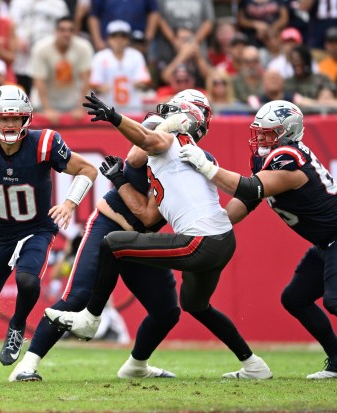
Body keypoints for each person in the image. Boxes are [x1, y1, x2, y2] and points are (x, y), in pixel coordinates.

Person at [45, 92, 273, 380]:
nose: (149, 127)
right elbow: (150, 213)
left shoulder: (170, 141)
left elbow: (148, 141)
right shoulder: (187, 153)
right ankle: (254, 365)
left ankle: (90, 318)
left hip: (199, 242)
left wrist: (116, 118)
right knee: (196, 305)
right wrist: (121, 179)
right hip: (222, 239)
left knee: (113, 243)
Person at [178, 100, 337, 379]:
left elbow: (252, 186)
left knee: (334, 301)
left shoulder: (290, 157)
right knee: (296, 298)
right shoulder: (270, 157)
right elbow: (246, 201)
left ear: (288, 132)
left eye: (268, 134)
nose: (260, 140)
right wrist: (213, 223)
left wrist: (206, 168)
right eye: (259, 132)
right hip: (326, 242)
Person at [0, 85, 97, 384]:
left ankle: (18, 325)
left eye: (16, 118)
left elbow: (87, 170)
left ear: (26, 120)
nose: (9, 124)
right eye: (3, 118)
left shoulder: (44, 142)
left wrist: (70, 202)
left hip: (36, 227)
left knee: (27, 279)